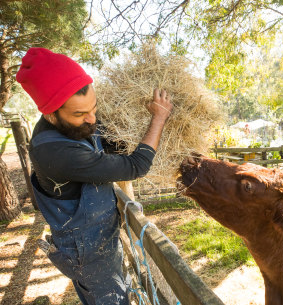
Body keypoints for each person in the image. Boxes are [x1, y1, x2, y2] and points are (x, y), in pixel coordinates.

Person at [16, 47, 172, 305]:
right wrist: (159, 117)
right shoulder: (56, 152)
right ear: (50, 114)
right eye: (79, 114)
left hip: (99, 238)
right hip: (87, 252)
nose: (92, 119)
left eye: (94, 108)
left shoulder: (75, 125)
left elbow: (106, 140)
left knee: (121, 290)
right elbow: (137, 166)